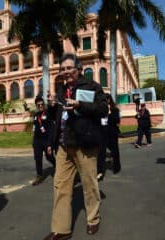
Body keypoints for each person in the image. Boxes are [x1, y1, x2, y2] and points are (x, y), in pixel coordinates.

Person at [44, 53, 108, 240]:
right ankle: (61, 229)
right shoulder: (61, 91)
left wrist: (80, 105)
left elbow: (103, 109)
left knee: (89, 184)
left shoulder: (92, 86)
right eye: (62, 69)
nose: (65, 72)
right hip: (64, 145)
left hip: (84, 143)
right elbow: (54, 118)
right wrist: (51, 106)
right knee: (60, 187)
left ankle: (93, 219)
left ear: (78, 69)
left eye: (69, 68)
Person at [31, 96, 56, 186]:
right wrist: (33, 142)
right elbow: (34, 128)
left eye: (42, 104)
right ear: (36, 106)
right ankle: (39, 176)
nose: (41, 106)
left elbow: (51, 130)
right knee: (37, 158)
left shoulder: (48, 114)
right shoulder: (35, 115)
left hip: (46, 140)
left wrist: (49, 144)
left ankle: (57, 166)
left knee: (49, 156)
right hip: (37, 141)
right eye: (39, 105)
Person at [97, 94, 121, 181]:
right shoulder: (100, 109)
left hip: (112, 132)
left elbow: (117, 120)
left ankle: (116, 167)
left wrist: (109, 114)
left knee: (114, 150)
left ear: (109, 100)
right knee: (101, 152)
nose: (105, 101)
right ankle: (100, 172)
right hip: (102, 132)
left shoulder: (115, 109)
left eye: (106, 99)